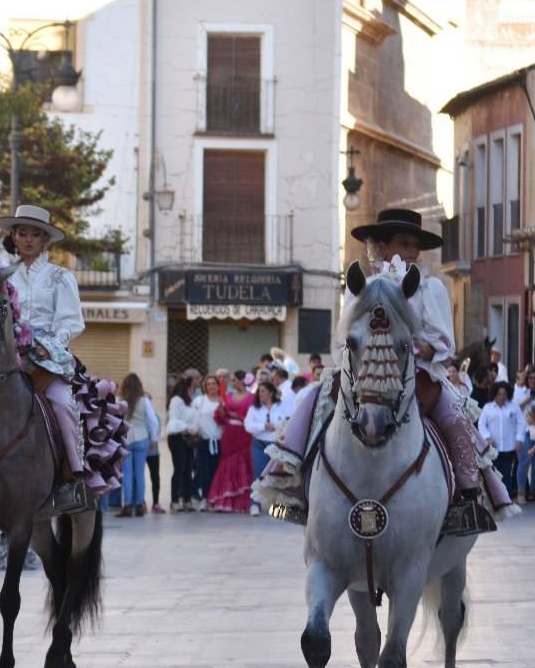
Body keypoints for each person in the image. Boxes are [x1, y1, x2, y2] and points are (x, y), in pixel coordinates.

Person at [259, 208, 515, 524]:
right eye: (404, 243)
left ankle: (466, 499)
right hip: (364, 374)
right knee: (314, 400)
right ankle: (294, 490)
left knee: (456, 420)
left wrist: (420, 346)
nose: (411, 251)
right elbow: (342, 338)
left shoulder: (429, 287)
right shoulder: (362, 287)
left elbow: (445, 342)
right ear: (382, 247)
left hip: (418, 378)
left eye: (414, 245)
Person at [0, 203, 125, 513]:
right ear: (14, 236)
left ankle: (72, 480)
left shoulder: (61, 277)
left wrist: (44, 346)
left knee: (63, 403)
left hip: (46, 360)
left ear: (46, 239)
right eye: (23, 233)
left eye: (36, 234)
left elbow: (71, 323)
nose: (29, 240)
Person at [208, 371, 254, 513]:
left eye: (233, 380)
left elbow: (254, 415)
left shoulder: (252, 397)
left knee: (244, 464)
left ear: (241, 381)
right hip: (229, 434)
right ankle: (225, 500)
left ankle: (244, 502)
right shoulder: (227, 396)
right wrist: (221, 407)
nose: (231, 383)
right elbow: (220, 416)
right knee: (226, 463)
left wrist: (238, 416)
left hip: (244, 434)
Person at [117, 374, 158, 518]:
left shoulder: (120, 401)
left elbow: (115, 422)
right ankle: (140, 505)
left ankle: (127, 506)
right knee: (140, 474)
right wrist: (154, 438)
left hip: (125, 439)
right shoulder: (145, 401)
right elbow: (153, 421)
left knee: (127, 474)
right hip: (142, 438)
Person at [244, 382, 284, 516]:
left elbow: (289, 421)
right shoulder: (254, 409)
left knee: (278, 476)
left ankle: (277, 508)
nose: (260, 394)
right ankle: (255, 505)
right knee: (259, 475)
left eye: (263, 391)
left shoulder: (282, 406)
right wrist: (263, 426)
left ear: (271, 393)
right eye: (259, 392)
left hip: (277, 446)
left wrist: (278, 427)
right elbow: (248, 426)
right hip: (259, 445)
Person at [478, 382, 521, 496]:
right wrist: (488, 437)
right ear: (495, 395)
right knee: (495, 473)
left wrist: (519, 439)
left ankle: (508, 497)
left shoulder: (513, 407)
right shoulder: (487, 408)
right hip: (494, 448)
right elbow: (482, 424)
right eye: (499, 394)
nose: (502, 397)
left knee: (507, 473)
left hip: (509, 447)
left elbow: (521, 423)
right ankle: (497, 498)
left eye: (504, 394)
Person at [513, 366, 535, 502]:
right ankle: (521, 492)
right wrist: (529, 398)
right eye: (530, 378)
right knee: (524, 462)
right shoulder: (520, 391)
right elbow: (515, 409)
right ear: (526, 379)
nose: (533, 380)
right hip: (524, 432)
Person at [191, 374, 223, 509]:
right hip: (203, 441)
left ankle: (215, 498)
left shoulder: (223, 401)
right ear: (205, 386)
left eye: (213, 384)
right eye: (208, 384)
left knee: (217, 471)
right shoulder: (199, 401)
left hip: (220, 441)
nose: (211, 386)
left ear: (218, 386)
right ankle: (205, 498)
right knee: (204, 470)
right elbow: (194, 419)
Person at [166, 376, 197, 512]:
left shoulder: (189, 402)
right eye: (192, 387)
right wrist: (187, 428)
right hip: (177, 437)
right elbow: (174, 420)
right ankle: (174, 500)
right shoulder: (176, 400)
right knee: (179, 468)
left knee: (188, 469)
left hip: (189, 438)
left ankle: (187, 499)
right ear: (188, 387)